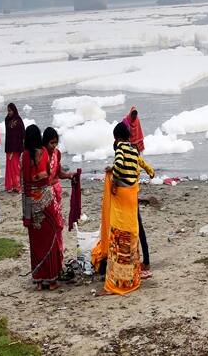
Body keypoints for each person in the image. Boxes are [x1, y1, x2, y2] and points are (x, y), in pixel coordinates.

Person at [92, 122, 154, 294]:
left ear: (117, 138)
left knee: (118, 234)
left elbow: (119, 164)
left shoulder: (120, 148)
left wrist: (113, 182)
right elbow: (143, 163)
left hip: (122, 197)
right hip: (132, 196)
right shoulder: (134, 149)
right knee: (133, 233)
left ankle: (116, 282)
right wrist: (151, 172)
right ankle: (133, 275)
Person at [22, 124, 62, 291]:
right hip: (45, 200)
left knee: (36, 242)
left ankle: (39, 281)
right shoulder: (44, 153)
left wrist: (25, 212)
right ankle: (52, 280)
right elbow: (47, 176)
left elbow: (24, 182)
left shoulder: (24, 156)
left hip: (31, 202)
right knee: (50, 239)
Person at [42, 127, 78, 268]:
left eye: (56, 143)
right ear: (45, 143)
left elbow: (58, 173)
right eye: (51, 143)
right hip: (46, 194)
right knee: (50, 225)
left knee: (58, 226)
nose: (54, 146)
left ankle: (59, 256)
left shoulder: (57, 153)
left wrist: (70, 175)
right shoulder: (42, 155)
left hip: (56, 191)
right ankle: (51, 258)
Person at [4, 103, 24, 193]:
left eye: (10, 110)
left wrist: (22, 146)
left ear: (14, 110)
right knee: (10, 167)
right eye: (8, 110)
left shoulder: (19, 120)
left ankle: (17, 185)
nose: (9, 112)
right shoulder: (7, 120)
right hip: (9, 147)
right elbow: (8, 135)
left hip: (17, 147)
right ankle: (11, 185)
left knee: (16, 167)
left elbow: (22, 133)